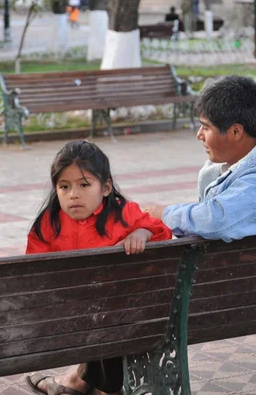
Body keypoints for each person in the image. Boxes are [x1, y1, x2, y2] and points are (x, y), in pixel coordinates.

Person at [25, 140, 172, 395]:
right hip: (73, 313)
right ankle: (95, 385)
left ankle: (86, 384)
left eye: (84, 184)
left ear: (105, 188)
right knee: (106, 319)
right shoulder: (49, 223)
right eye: (64, 186)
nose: (73, 194)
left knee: (110, 317)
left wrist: (142, 233)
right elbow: (36, 273)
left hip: (114, 313)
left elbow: (162, 231)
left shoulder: (123, 213)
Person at [145, 75, 256, 241]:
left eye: (206, 127)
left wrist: (164, 215)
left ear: (236, 131)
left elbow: (218, 219)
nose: (199, 135)